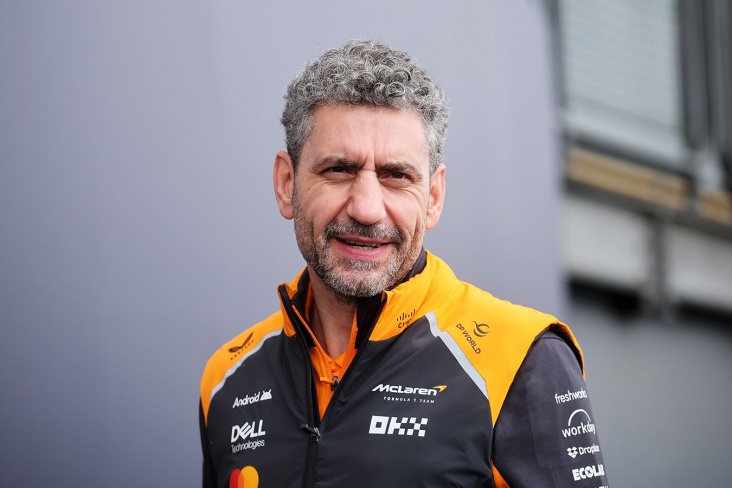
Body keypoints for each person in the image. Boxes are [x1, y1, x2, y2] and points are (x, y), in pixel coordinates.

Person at [199, 39, 608, 488]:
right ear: (286, 184)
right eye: (338, 170)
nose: (367, 208)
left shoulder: (522, 358)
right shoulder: (225, 380)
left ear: (433, 197)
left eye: (396, 176)